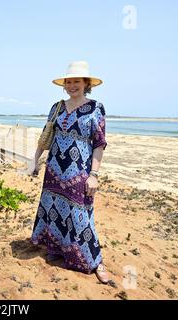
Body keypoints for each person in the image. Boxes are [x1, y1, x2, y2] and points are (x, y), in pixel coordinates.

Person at [29, 61, 109, 283]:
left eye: (76, 81)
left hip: (80, 172)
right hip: (54, 169)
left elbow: (99, 144)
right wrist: (34, 161)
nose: (72, 85)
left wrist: (94, 175)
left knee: (81, 216)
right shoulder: (56, 107)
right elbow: (44, 137)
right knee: (54, 207)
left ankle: (95, 261)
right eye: (69, 81)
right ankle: (59, 250)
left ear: (86, 84)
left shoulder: (96, 108)